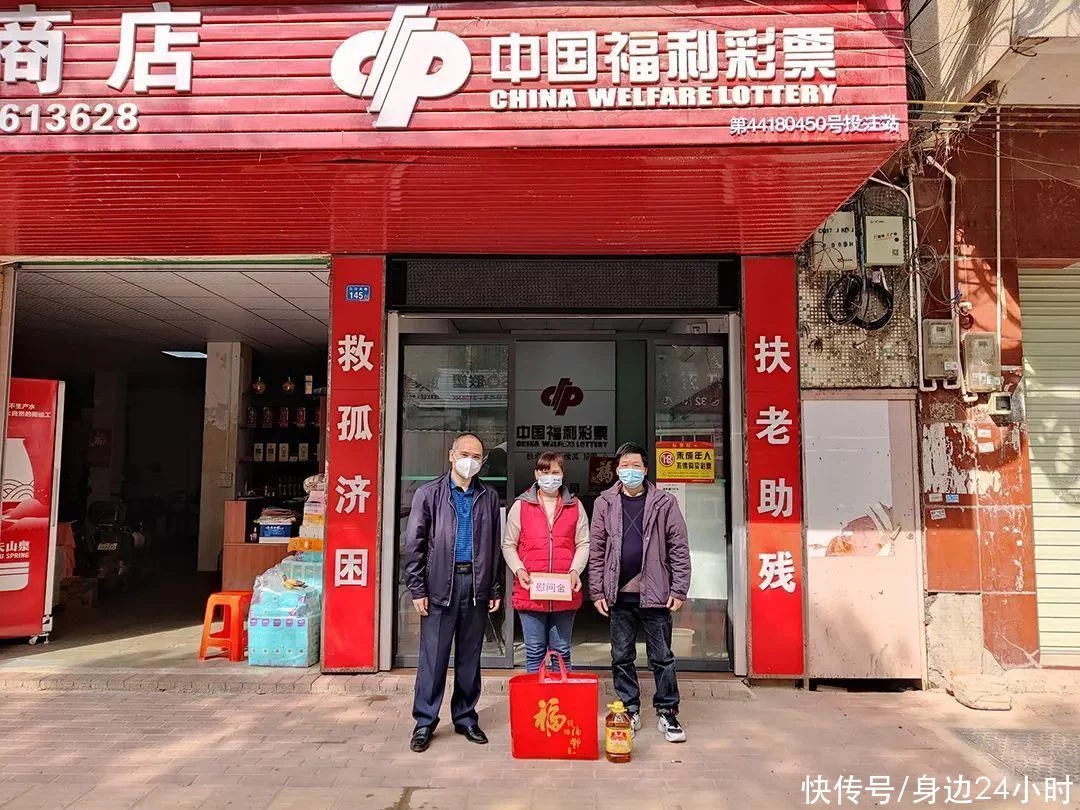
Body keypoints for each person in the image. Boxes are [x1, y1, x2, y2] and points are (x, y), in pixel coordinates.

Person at [404, 433, 503, 753]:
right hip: (439, 585)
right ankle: (424, 721)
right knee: (432, 658)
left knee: (469, 657)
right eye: (464, 454)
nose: (469, 461)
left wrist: (494, 587)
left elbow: (493, 545)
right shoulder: (429, 494)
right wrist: (417, 588)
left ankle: (465, 717)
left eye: (476, 457)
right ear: (451, 455)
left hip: (475, 584)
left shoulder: (488, 496)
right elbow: (415, 545)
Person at [588, 441, 692, 743]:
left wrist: (679, 588)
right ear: (617, 470)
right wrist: (597, 591)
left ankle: (667, 712)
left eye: (635, 466)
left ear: (645, 470)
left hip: (656, 594)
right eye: (624, 466)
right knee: (621, 656)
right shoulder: (605, 502)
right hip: (618, 595)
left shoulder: (664, 502)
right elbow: (597, 549)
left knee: (662, 657)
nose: (629, 471)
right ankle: (629, 708)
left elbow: (679, 547)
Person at [502, 452, 589, 673]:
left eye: (555, 472)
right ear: (536, 474)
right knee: (534, 651)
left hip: (564, 590)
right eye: (545, 472)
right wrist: (519, 569)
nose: (550, 477)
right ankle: (537, 695)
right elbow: (509, 545)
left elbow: (583, 543)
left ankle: (561, 695)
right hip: (530, 590)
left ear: (563, 474)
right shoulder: (521, 506)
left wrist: (575, 570)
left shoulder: (575, 506)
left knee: (562, 651)